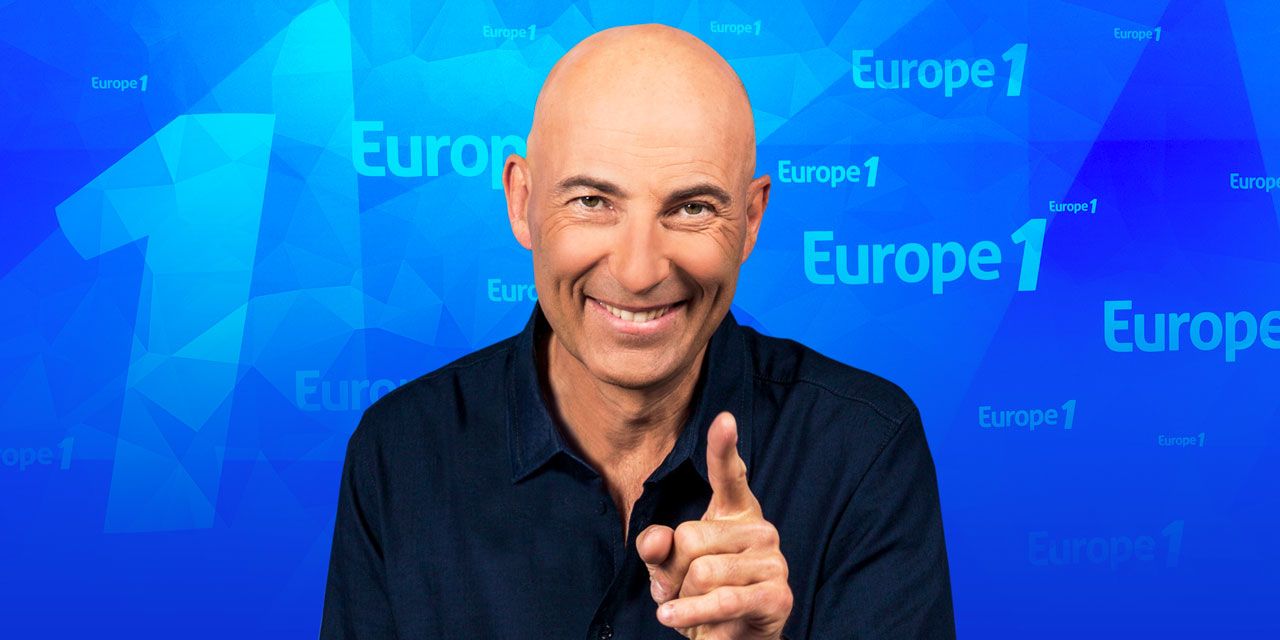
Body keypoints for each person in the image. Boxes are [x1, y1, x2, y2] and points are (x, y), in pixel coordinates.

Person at [321, 23, 954, 639]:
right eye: (592, 201)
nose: (639, 271)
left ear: (752, 219)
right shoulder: (398, 452)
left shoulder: (864, 449)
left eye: (692, 207)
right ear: (521, 201)